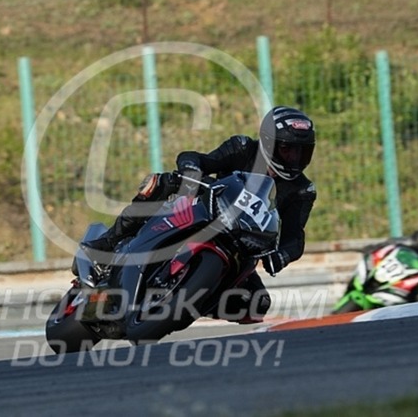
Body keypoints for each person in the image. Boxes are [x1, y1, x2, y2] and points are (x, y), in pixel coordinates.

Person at [82, 105, 317, 322]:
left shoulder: (302, 190)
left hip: (243, 246)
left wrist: (281, 256)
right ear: (268, 142)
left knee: (257, 304)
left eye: (302, 152)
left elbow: (294, 237)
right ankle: (106, 243)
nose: (294, 158)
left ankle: (187, 302)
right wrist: (191, 170)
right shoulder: (243, 148)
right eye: (287, 150)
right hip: (205, 211)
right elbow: (197, 158)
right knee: (163, 183)